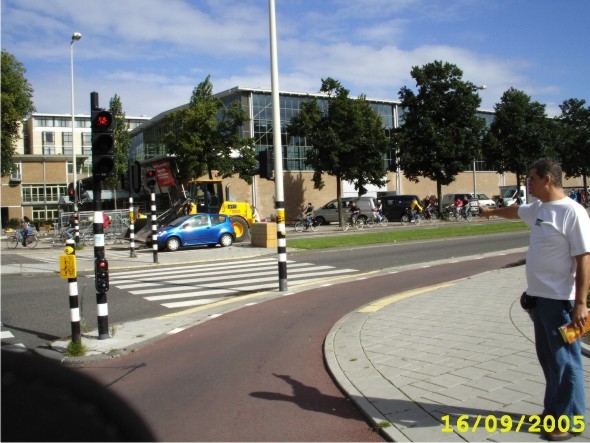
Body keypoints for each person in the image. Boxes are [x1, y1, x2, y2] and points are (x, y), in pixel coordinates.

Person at [479, 158, 590, 441]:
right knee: (549, 360)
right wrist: (492, 211)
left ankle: (570, 420)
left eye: (532, 179)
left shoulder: (572, 213)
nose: (528, 183)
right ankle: (553, 411)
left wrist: (581, 303)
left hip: (562, 302)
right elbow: (516, 211)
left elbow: (584, 259)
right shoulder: (540, 208)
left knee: (566, 362)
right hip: (539, 300)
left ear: (548, 180)